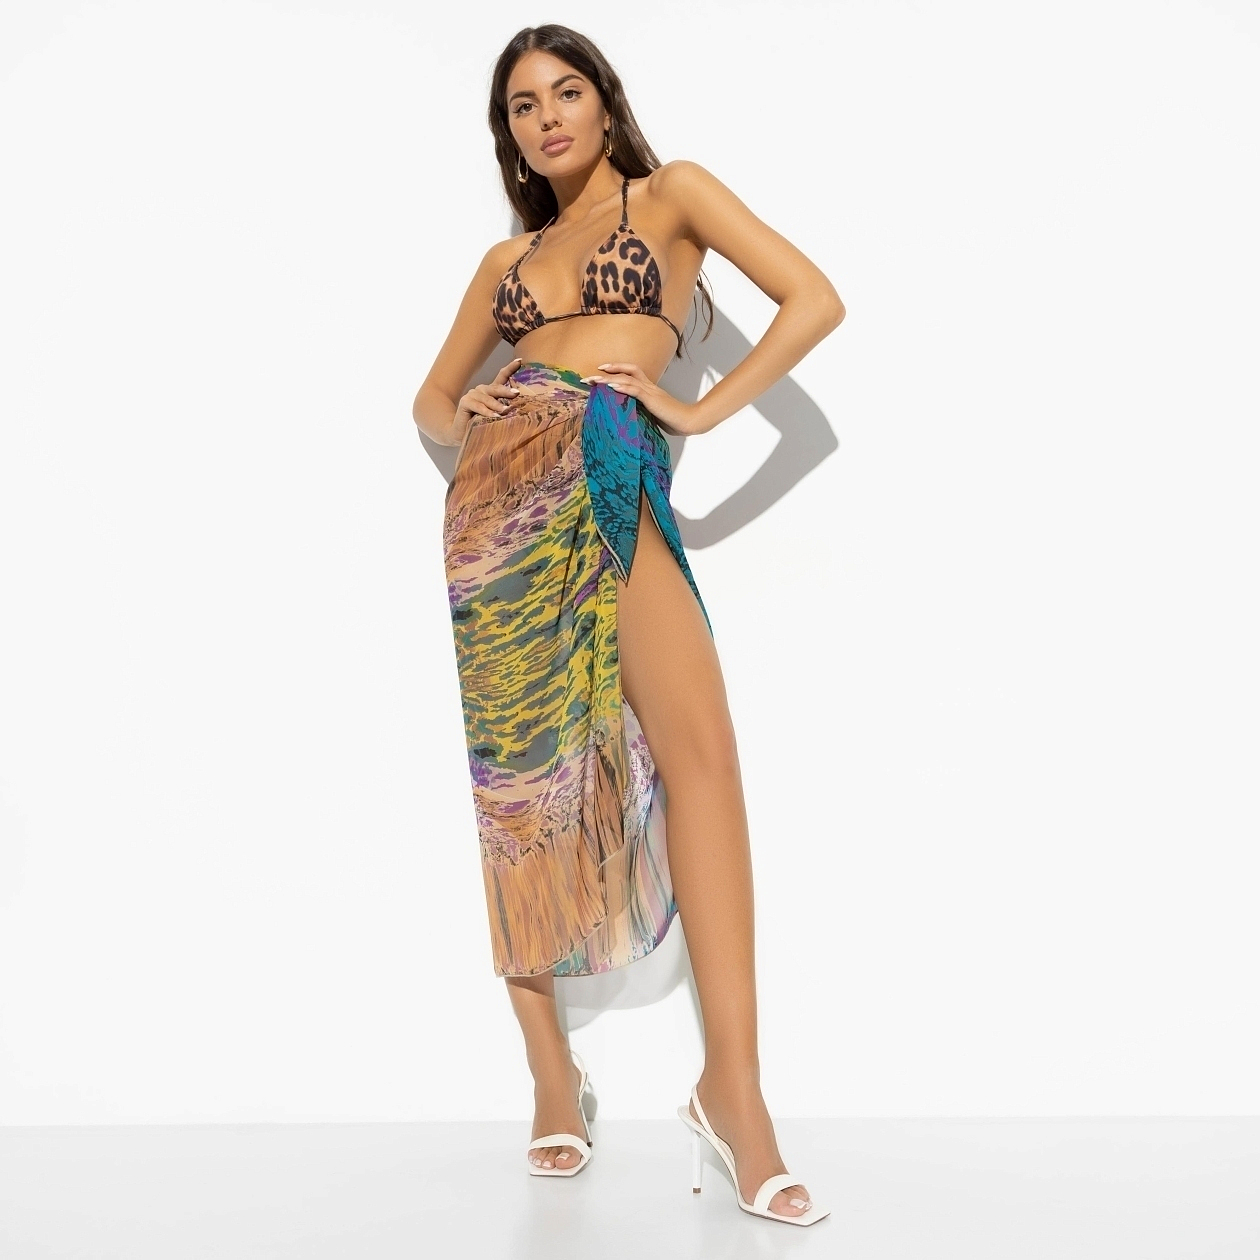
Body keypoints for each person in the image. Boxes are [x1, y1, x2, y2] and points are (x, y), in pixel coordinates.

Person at [413, 23, 844, 1226]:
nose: (546, 116)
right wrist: (466, 415)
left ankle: (733, 1093)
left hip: (612, 466)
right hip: (497, 507)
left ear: (605, 103)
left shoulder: (673, 197)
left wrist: (695, 412)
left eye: (566, 91)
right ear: (509, 135)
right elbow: (431, 395)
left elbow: (815, 299)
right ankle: (554, 1078)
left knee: (702, 757)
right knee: (522, 789)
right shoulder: (506, 261)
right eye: (522, 105)